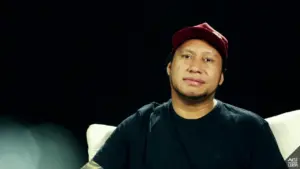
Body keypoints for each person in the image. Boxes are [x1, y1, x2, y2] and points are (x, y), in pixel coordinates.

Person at [81, 22, 288, 169]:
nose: (195, 67)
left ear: (221, 78)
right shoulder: (142, 123)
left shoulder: (250, 128)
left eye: (208, 60)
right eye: (187, 56)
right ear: (170, 67)